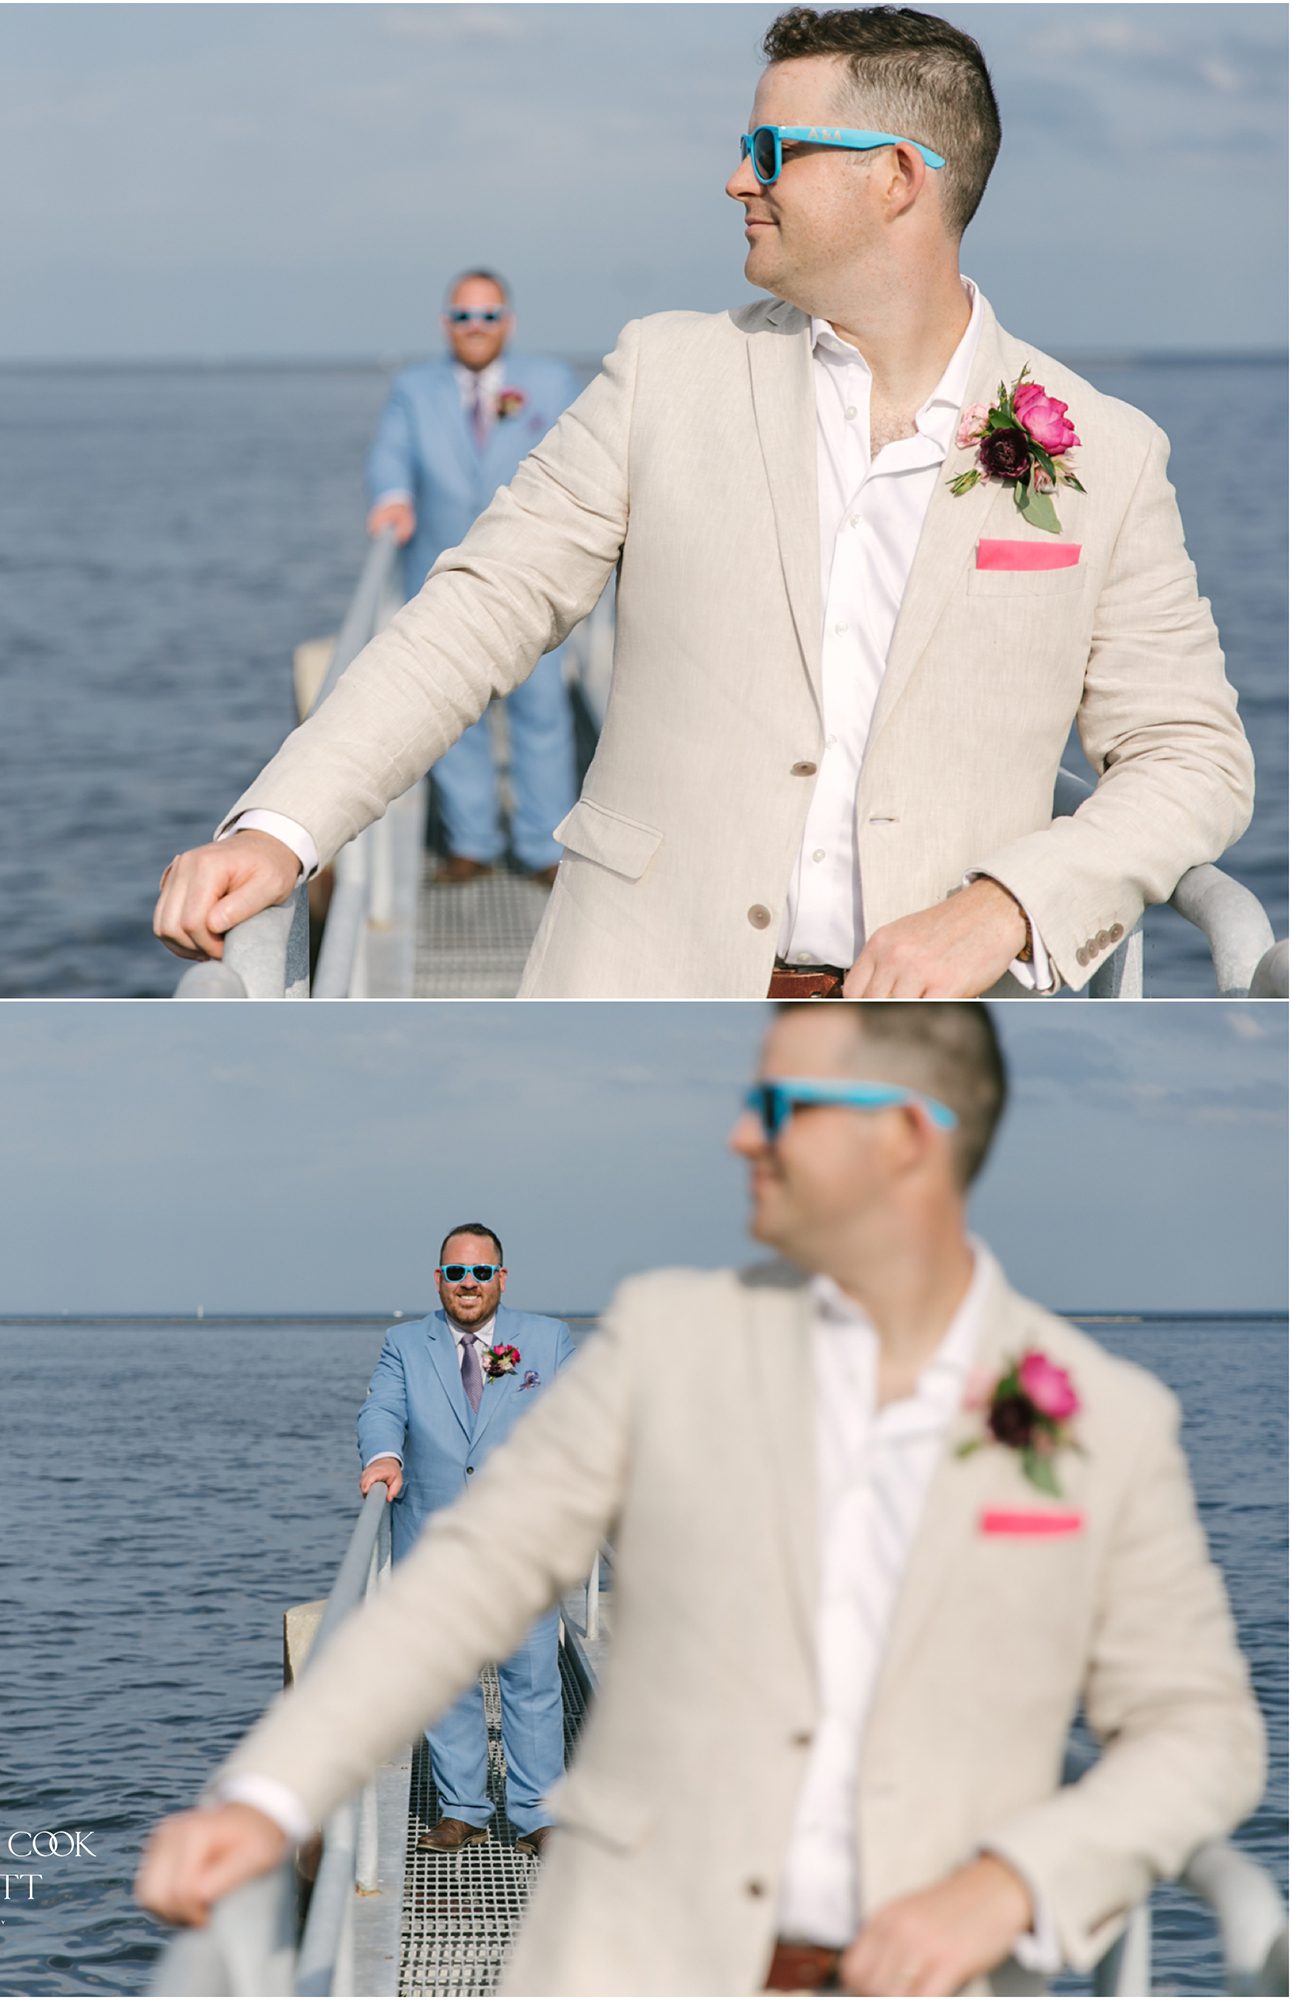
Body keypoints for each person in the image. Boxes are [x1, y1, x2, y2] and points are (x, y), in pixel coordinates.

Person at [135, 1003, 1264, 1997]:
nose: (738, 1133)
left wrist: (1017, 1880)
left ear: (907, 1136)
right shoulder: (663, 1341)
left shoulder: (1104, 1420)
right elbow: (463, 1579)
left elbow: (1200, 1733)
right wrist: (269, 1794)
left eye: (780, 1103)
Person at [154, 5, 1253, 1001]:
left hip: (947, 1046)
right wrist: (285, 829)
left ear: (899, 179)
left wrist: (1007, 906)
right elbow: (478, 607)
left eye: (771, 149)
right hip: (637, 1002)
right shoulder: (662, 377)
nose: (737, 179)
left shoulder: (1104, 451)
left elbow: (1190, 758)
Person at [220, 1226, 574, 1858]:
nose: (470, 1285)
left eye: (482, 1273)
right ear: (438, 1279)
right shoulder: (404, 1344)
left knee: (532, 1682)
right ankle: (464, 1809)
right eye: (457, 1274)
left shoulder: (547, 1340)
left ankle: (536, 1812)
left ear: (503, 1277)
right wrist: (383, 1456)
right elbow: (380, 1410)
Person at [360, 272, 582, 886]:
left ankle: (542, 848)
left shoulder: (550, 382)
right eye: (463, 316)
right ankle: (472, 844)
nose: (475, 328)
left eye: (488, 316)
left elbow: (581, 457)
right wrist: (393, 497)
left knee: (541, 715)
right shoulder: (413, 388)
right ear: (445, 324)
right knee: (454, 717)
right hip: (441, 578)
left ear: (508, 321)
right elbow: (389, 454)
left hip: (531, 577)